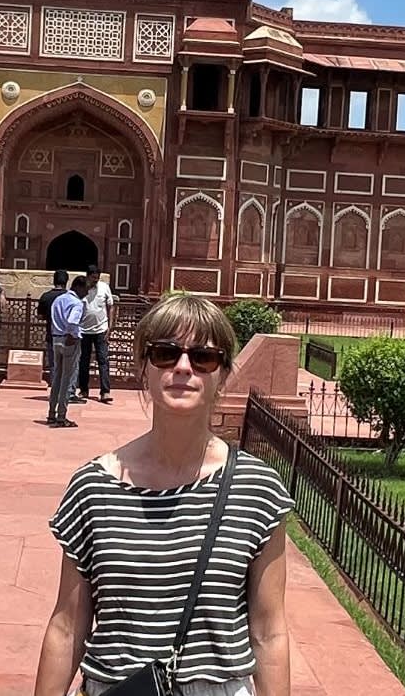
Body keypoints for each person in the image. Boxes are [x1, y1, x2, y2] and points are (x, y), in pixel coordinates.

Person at [35, 294, 294, 696]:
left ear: (224, 374)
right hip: (120, 689)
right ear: (144, 367)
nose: (183, 368)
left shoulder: (256, 489)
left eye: (203, 357)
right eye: (165, 354)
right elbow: (67, 627)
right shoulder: (94, 487)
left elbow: (269, 631)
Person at [43, 273, 88, 428]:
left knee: (57, 377)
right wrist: (72, 335)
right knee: (67, 380)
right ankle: (61, 415)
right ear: (79, 287)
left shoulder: (59, 300)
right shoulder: (77, 303)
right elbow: (72, 321)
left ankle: (51, 413)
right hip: (69, 340)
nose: (86, 293)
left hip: (56, 339)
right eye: (86, 289)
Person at [75, 270, 116, 404]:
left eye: (97, 278)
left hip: (101, 330)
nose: (95, 280)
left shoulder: (104, 287)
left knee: (103, 360)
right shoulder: (82, 289)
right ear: (88, 277)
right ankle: (83, 389)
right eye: (93, 278)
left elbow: (110, 306)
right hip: (84, 331)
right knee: (84, 361)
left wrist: (110, 326)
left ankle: (105, 391)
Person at [36, 270, 72, 385]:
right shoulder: (70, 297)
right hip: (68, 336)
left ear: (54, 281)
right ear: (66, 281)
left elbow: (40, 316)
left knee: (54, 363)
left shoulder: (46, 296)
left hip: (52, 334)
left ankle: (54, 385)